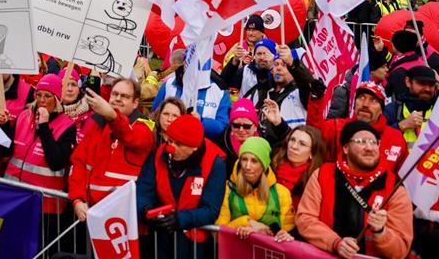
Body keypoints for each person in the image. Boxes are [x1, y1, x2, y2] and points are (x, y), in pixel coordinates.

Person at [296, 121, 413, 259]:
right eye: (361, 141)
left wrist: (381, 232)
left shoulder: (394, 187)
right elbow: (305, 219)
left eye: (374, 142)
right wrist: (335, 243)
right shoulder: (323, 174)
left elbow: (401, 250)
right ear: (345, 147)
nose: (369, 147)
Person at [136, 114, 226, 259]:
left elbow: (211, 209)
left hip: (194, 244)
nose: (171, 148)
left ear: (194, 148)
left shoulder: (214, 164)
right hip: (161, 240)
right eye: (170, 141)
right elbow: (143, 190)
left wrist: (180, 219)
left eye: (178, 144)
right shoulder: (159, 154)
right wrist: (146, 211)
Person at [68, 78, 155, 220]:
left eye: (125, 96)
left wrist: (112, 115)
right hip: (93, 213)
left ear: (135, 103)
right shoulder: (99, 125)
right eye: (115, 94)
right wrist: (77, 199)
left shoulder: (144, 127)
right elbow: (78, 162)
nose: (118, 99)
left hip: (124, 219)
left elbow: (129, 136)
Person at [5, 74, 77, 214]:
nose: (42, 100)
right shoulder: (25, 116)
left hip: (44, 205)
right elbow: (5, 151)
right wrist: (3, 125)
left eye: (48, 96)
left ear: (56, 99)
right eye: (38, 95)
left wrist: (44, 126)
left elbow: (56, 162)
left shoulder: (67, 125)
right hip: (13, 196)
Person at [306, 81, 407, 172]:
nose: (365, 104)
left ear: (381, 110)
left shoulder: (396, 138)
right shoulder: (336, 127)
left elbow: (405, 177)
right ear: (354, 104)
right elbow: (313, 137)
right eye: (361, 97)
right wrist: (316, 100)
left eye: (373, 100)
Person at [216, 137, 295, 242]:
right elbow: (217, 234)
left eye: (254, 161)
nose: (247, 166)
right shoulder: (227, 189)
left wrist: (284, 235)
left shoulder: (282, 193)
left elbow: (289, 234)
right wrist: (248, 223)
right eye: (244, 159)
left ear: (264, 165)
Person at [152, 63, 231, 141]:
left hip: (202, 147)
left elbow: (224, 127)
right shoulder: (168, 85)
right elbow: (155, 113)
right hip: (166, 144)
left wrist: (201, 121)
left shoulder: (219, 91)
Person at [328, 40, 391, 118]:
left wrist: (381, 49)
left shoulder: (384, 86)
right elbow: (334, 119)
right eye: (383, 67)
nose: (387, 69)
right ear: (371, 71)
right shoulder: (343, 91)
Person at [383, 66, 439, 150]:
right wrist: (401, 126)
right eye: (422, 83)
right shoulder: (392, 109)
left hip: (432, 162)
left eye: (431, 85)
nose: (427, 89)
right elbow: (377, 139)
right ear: (408, 82)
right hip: (401, 162)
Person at [270, 125, 325, 202]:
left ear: (312, 153)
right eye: (292, 140)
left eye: (302, 144)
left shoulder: (316, 179)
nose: (294, 146)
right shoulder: (271, 166)